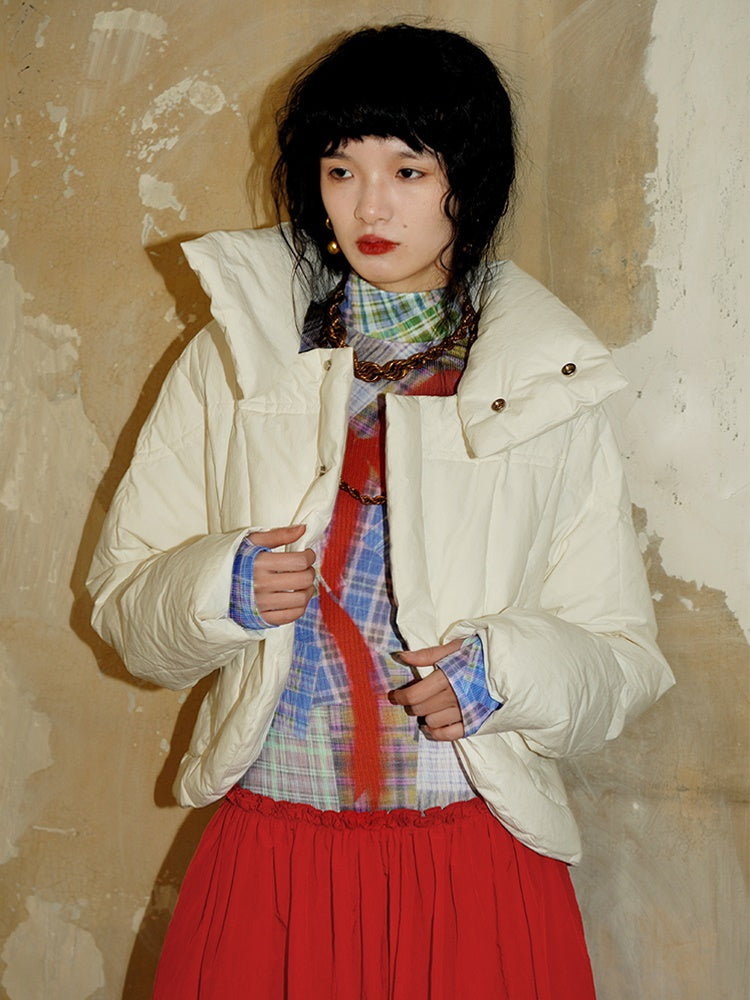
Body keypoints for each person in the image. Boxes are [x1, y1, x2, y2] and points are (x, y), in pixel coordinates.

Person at [88, 23, 674, 999]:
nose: (369, 205)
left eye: (408, 170)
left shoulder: (542, 389)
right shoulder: (234, 362)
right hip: (272, 859)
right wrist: (219, 587)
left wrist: (501, 672)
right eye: (340, 170)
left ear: (466, 183)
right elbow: (124, 609)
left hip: (471, 864)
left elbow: (624, 659)